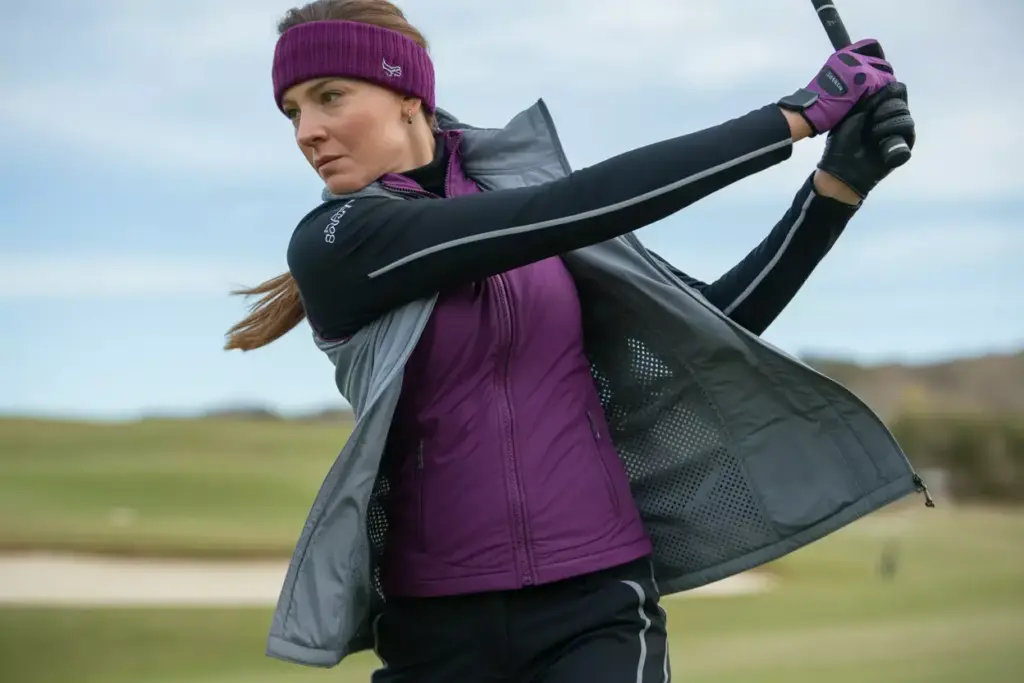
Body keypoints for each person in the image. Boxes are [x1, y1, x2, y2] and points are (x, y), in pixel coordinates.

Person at [225, 1, 925, 681]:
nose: (306, 131)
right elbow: (567, 210)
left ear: (407, 92)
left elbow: (718, 318)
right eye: (292, 112)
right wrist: (795, 115)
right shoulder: (336, 242)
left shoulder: (530, 197)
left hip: (596, 601)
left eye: (329, 96)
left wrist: (833, 189)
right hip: (434, 631)